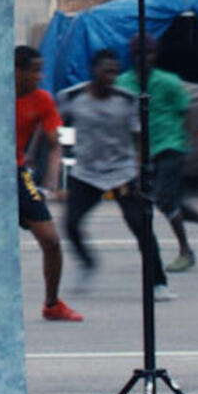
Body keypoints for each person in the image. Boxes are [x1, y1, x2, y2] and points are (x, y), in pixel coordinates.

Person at [59, 48, 173, 301]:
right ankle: (88, 263)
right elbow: (56, 126)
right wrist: (60, 161)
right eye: (106, 71)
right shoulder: (71, 97)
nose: (110, 77)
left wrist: (141, 169)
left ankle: (159, 282)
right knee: (70, 223)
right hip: (86, 173)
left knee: (141, 227)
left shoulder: (126, 100)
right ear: (93, 71)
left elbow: (138, 137)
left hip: (121, 172)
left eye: (114, 72)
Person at [116, 33, 198, 271]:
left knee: (164, 198)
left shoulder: (168, 82)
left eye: (147, 53)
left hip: (169, 145)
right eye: (138, 54)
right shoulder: (124, 83)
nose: (143, 59)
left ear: (155, 55)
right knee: (170, 202)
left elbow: (185, 111)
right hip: (142, 150)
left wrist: (183, 139)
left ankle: (186, 251)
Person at [15, 45, 82, 321]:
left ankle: (52, 304)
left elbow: (54, 144)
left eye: (40, 70)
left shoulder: (42, 99)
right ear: (15, 71)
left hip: (17, 174)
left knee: (51, 241)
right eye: (34, 71)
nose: (39, 76)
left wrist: (51, 181)